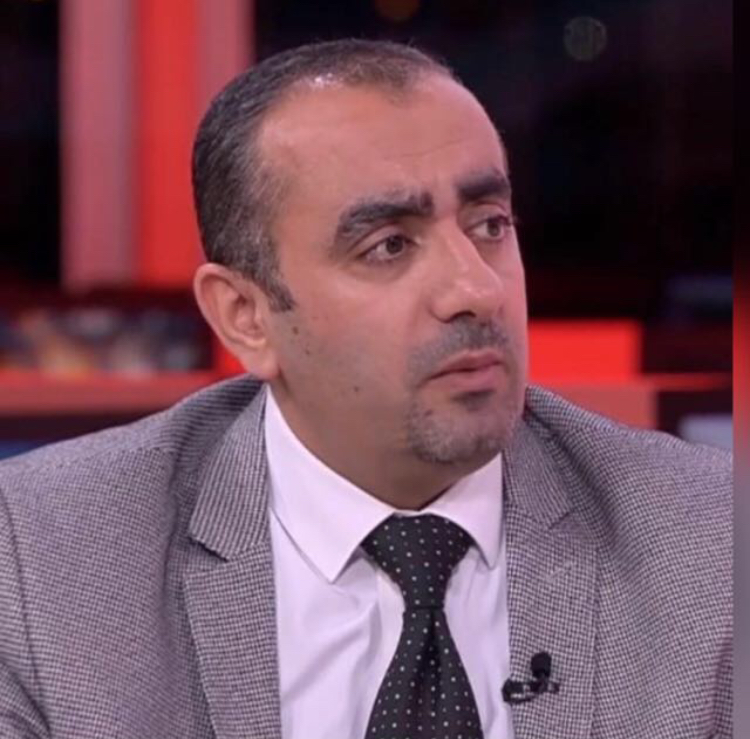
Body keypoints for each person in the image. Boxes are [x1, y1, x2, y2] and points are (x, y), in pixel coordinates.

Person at [0, 39, 731, 739]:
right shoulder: (46, 562)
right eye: (389, 245)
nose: (476, 289)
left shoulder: (708, 543)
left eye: (489, 225)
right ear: (246, 316)